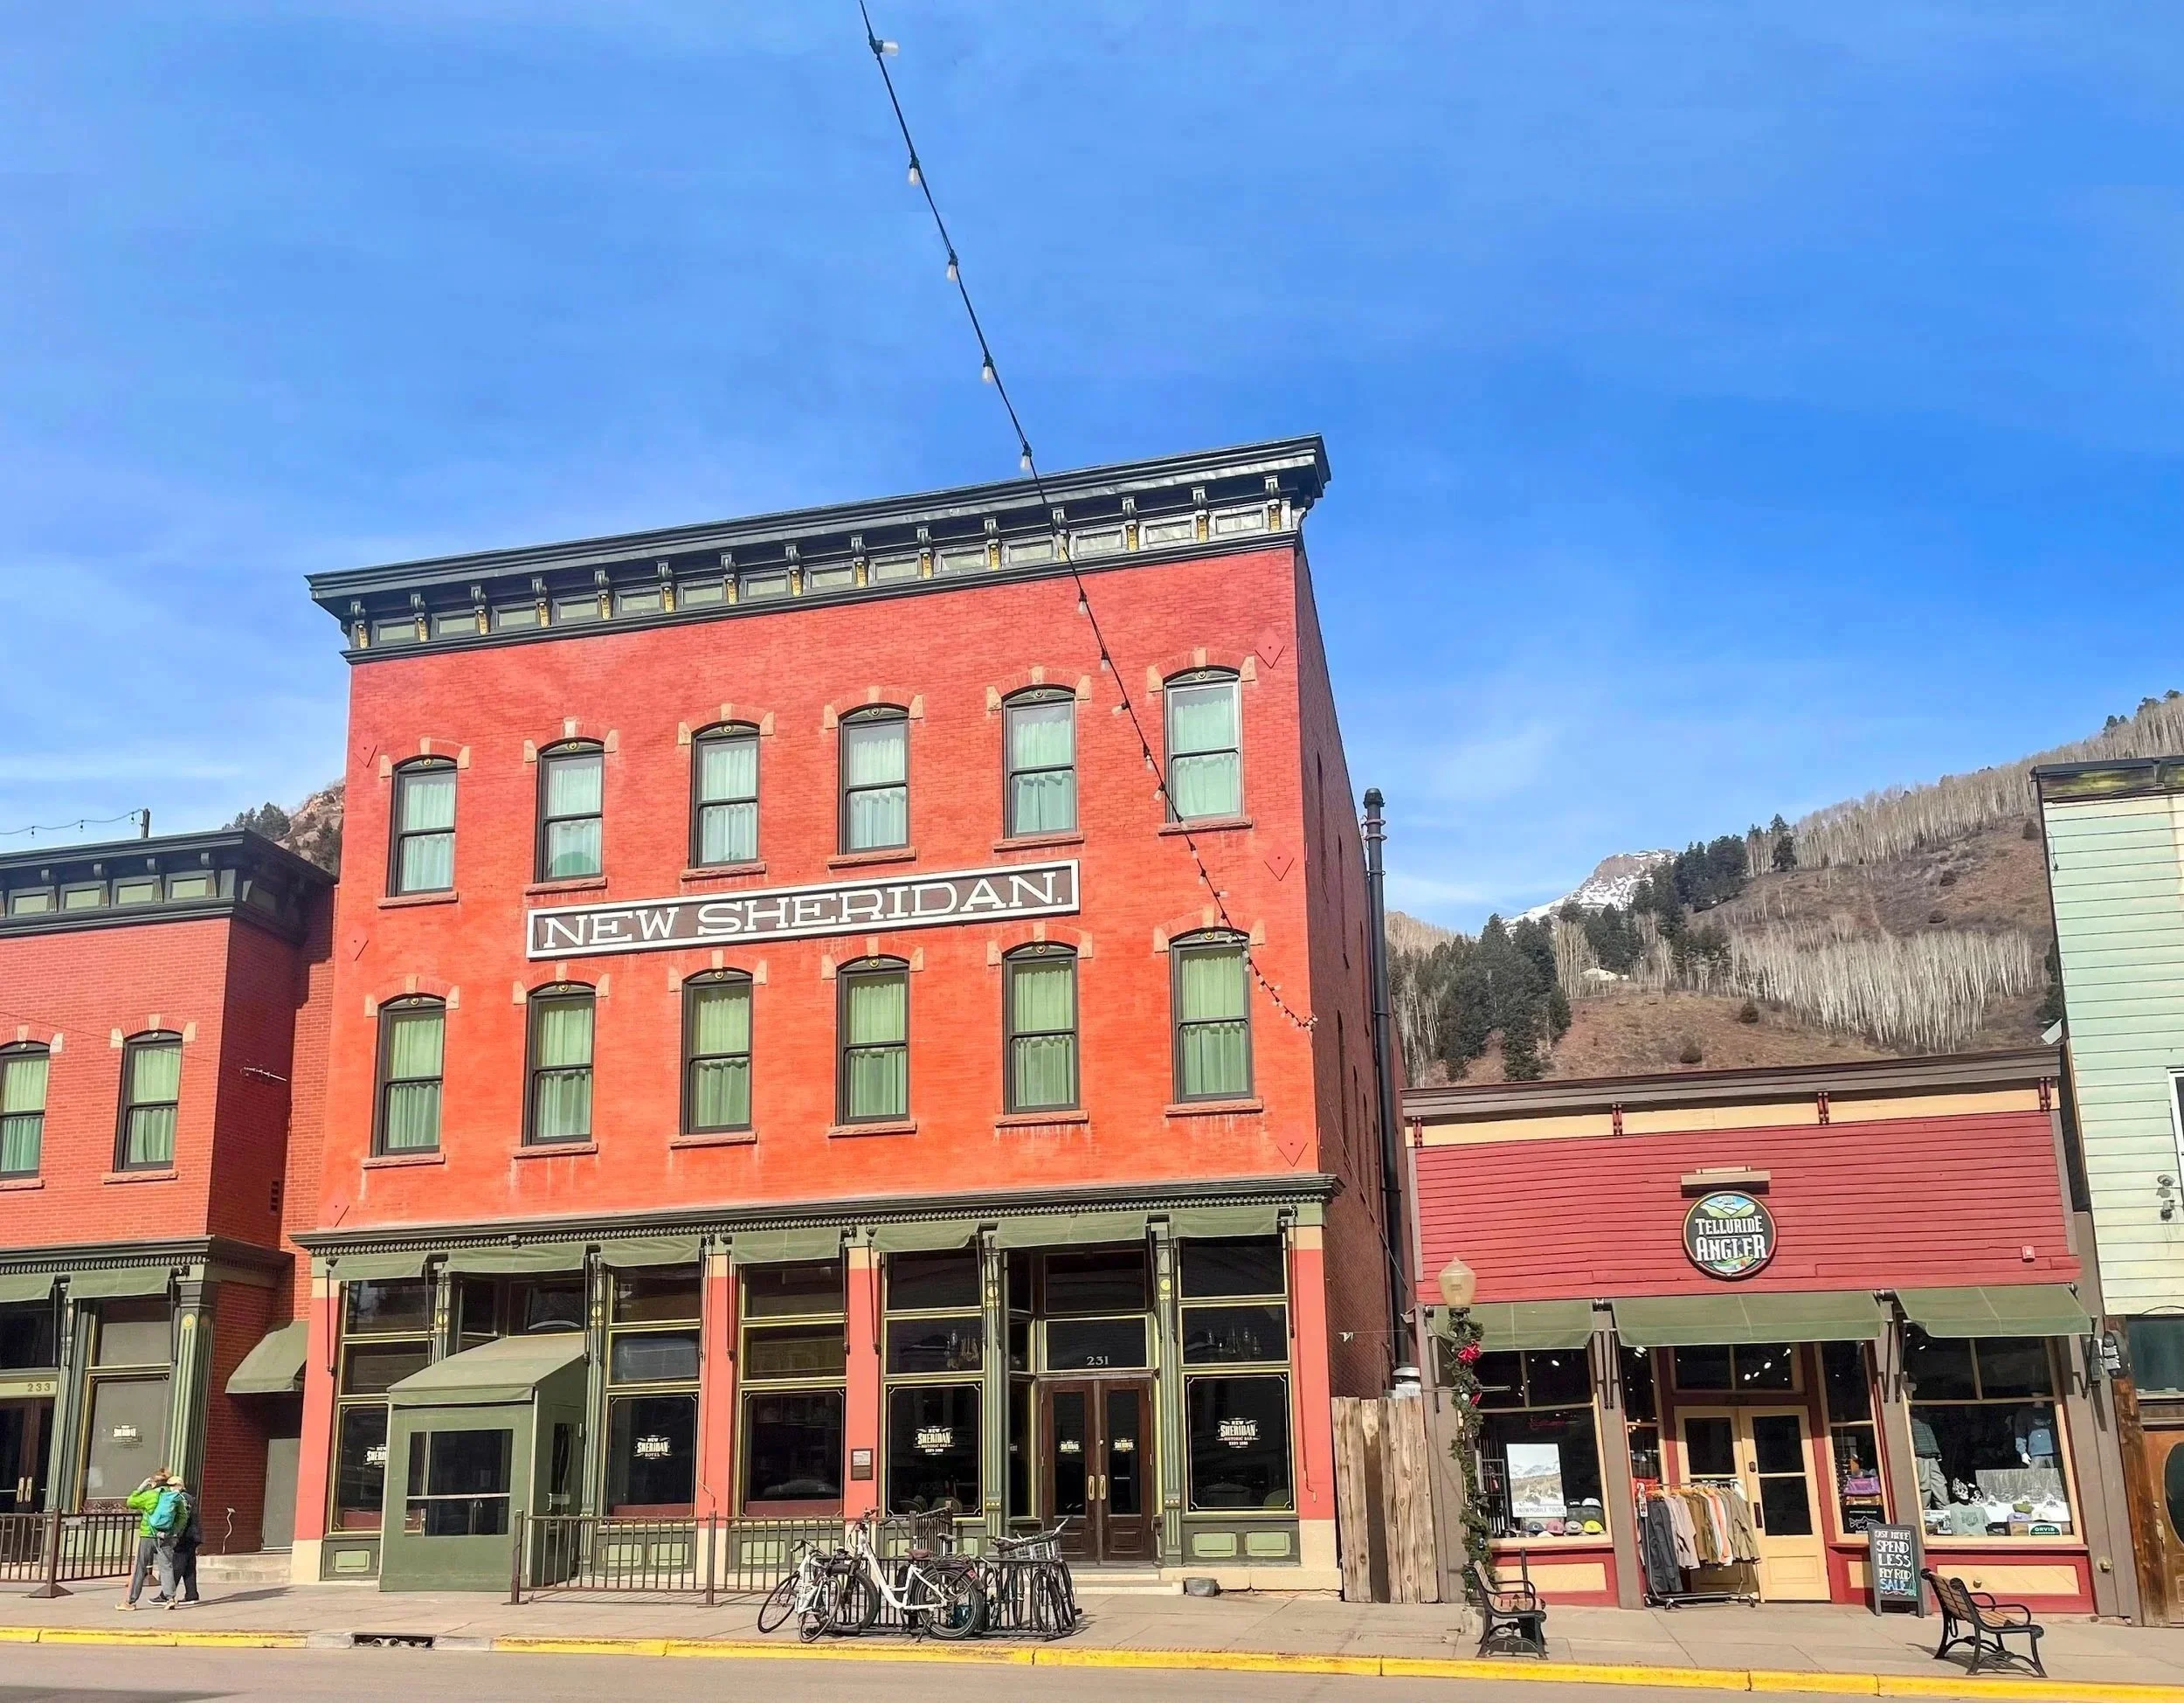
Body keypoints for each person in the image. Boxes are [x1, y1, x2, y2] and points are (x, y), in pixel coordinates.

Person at [119, 1470, 182, 1610]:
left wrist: (141, 1487)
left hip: (148, 1534)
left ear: (153, 1483)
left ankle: (130, 1601)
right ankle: (170, 1598)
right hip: (166, 1536)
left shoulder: (149, 1495)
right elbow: (182, 1517)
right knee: (166, 1567)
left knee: (140, 1568)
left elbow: (130, 1502)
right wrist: (173, 1532)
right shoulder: (174, 1496)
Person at [168, 1477, 202, 1608]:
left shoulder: (182, 1498)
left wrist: (175, 1535)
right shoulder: (188, 1497)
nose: (169, 1487)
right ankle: (191, 1594)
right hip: (192, 1536)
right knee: (188, 1567)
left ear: (178, 1485)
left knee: (177, 1565)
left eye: (172, 1485)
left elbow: (183, 1519)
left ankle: (167, 1594)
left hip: (185, 1536)